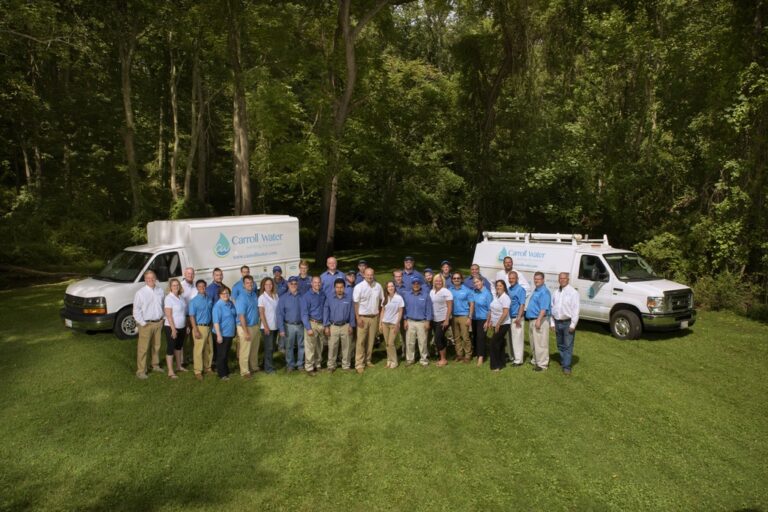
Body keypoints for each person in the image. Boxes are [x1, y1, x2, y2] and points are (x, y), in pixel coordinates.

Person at [133, 270, 166, 379]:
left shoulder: (160, 290)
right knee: (143, 348)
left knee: (156, 346)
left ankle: (155, 365)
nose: (151, 280)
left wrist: (163, 318)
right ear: (145, 280)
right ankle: (141, 371)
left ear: (155, 278)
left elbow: (163, 305)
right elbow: (136, 310)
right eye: (148, 278)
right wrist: (142, 323)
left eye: (152, 278)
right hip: (146, 324)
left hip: (158, 323)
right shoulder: (140, 293)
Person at [353, 267, 384, 374]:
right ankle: (359, 364)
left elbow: (382, 301)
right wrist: (358, 317)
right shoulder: (359, 287)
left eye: (372, 274)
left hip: (374, 317)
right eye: (368, 274)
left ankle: (368, 360)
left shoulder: (378, 286)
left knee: (371, 341)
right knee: (361, 341)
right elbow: (356, 304)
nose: (370, 276)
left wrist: (379, 315)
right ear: (364, 275)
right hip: (362, 317)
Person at [550, 272, 580, 375]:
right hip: (557, 322)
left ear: (568, 279)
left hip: (567, 323)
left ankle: (566, 366)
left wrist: (573, 324)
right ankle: (564, 360)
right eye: (560, 278)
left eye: (564, 278)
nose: (562, 280)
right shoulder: (555, 292)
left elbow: (576, 310)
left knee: (568, 345)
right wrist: (552, 323)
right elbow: (552, 308)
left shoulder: (573, 293)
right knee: (560, 344)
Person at [323, 278, 356, 372]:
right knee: (332, 346)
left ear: (344, 288)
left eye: (341, 287)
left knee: (347, 347)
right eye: (337, 287)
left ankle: (346, 365)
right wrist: (326, 326)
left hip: (346, 325)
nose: (339, 289)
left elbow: (352, 312)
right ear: (334, 288)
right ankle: (331, 365)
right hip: (333, 326)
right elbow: (326, 312)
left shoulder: (349, 298)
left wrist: (351, 325)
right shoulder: (329, 298)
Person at [276, 276, 305, 372]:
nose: (293, 285)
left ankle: (300, 364)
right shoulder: (283, 298)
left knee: (301, 346)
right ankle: (290, 365)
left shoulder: (302, 296)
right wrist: (281, 329)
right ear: (288, 284)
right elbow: (279, 314)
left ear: (298, 284)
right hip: (288, 326)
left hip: (301, 325)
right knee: (289, 346)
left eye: (295, 283)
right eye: (291, 283)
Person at [403, 277, 433, 366]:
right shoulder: (407, 295)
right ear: (412, 285)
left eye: (417, 283)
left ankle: (424, 360)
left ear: (420, 285)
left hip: (422, 322)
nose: (416, 285)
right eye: (414, 283)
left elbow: (429, 310)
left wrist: (428, 321)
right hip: (410, 321)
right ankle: (410, 360)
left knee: (422, 342)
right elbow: (404, 309)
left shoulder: (425, 295)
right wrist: (405, 320)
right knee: (409, 342)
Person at [187, 279, 213, 380]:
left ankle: (208, 367)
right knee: (198, 350)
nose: (202, 288)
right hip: (199, 327)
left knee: (209, 348)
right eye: (200, 286)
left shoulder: (209, 299)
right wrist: (195, 330)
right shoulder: (194, 301)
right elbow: (192, 316)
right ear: (197, 288)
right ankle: (198, 371)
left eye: (204, 286)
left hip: (208, 326)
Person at [163, 278, 188, 379]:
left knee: (179, 347)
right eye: (173, 285)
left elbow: (183, 313)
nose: (176, 287)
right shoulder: (169, 298)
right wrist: (173, 329)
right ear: (170, 287)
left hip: (182, 326)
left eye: (177, 285)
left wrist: (186, 326)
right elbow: (168, 315)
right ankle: (170, 371)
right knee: (171, 348)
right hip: (171, 327)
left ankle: (178, 366)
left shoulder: (181, 297)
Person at [236, 275, 260, 379]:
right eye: (247, 283)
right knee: (245, 350)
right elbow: (241, 316)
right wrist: (245, 332)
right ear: (243, 285)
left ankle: (254, 367)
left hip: (255, 325)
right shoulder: (241, 297)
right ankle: (245, 371)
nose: (250, 284)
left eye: (251, 282)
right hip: (245, 327)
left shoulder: (254, 294)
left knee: (254, 349)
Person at [526, 271, 552, 371]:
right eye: (535, 279)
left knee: (541, 343)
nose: (536, 281)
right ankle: (535, 360)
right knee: (533, 342)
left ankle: (542, 364)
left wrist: (538, 320)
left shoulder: (544, 292)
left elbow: (543, 308)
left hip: (539, 319)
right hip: (533, 319)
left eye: (538, 279)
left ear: (543, 280)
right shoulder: (537, 290)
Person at [302, 276, 326, 375]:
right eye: (315, 282)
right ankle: (309, 367)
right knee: (310, 346)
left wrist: (326, 324)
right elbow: (304, 313)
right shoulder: (306, 296)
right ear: (311, 283)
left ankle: (318, 364)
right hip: (312, 323)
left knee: (319, 345)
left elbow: (325, 309)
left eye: (319, 282)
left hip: (321, 323)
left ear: (321, 283)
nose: (317, 284)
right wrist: (308, 328)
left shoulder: (322, 294)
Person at [212, 286, 236, 380]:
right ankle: (222, 374)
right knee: (221, 355)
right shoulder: (218, 306)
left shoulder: (230, 303)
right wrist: (219, 335)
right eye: (223, 293)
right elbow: (216, 322)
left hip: (229, 333)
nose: (225, 295)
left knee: (226, 354)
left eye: (227, 293)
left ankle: (226, 371)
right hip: (221, 334)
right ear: (219, 295)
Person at [449, 272, 474, 363]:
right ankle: (459, 354)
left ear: (461, 279)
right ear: (452, 280)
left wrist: (470, 317)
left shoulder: (467, 290)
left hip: (464, 316)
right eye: (454, 278)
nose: (456, 280)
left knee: (465, 337)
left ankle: (468, 355)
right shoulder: (450, 290)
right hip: (454, 316)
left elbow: (471, 304)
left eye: (458, 278)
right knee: (456, 337)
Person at [486, 280, 511, 372]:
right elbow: (491, 310)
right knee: (499, 344)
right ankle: (502, 363)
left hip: (503, 324)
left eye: (500, 286)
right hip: (495, 323)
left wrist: (498, 324)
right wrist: (488, 321)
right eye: (497, 286)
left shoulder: (505, 297)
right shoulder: (497, 296)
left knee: (493, 344)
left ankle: (495, 366)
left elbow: (505, 312)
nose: (498, 287)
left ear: (504, 287)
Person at [379, 281, 404, 369]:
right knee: (387, 343)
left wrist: (398, 324)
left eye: (392, 286)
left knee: (391, 343)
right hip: (385, 323)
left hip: (394, 324)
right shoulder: (385, 298)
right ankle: (389, 360)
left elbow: (400, 312)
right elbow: (382, 311)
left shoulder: (399, 298)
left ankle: (394, 362)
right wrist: (380, 323)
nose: (390, 288)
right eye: (389, 286)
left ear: (394, 287)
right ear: (386, 288)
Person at [429, 274, 452, 367]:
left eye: (440, 281)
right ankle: (442, 357)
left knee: (438, 339)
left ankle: (443, 359)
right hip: (434, 319)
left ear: (443, 282)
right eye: (436, 280)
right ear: (433, 281)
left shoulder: (446, 291)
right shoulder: (432, 291)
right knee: (441, 338)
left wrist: (446, 320)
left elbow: (450, 306)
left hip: (443, 319)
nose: (438, 282)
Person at [258, 277, 279, 374]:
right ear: (263, 286)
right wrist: (266, 327)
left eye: (270, 284)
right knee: (269, 348)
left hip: (275, 326)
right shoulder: (262, 297)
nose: (269, 286)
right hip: (267, 327)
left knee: (271, 347)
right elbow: (261, 314)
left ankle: (264, 364)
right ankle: (269, 369)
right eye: (266, 284)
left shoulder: (275, 296)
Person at [470, 276, 492, 366]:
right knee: (475, 337)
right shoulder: (473, 292)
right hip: (474, 318)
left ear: (482, 281)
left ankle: (481, 357)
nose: (476, 284)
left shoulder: (487, 293)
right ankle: (476, 352)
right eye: (475, 282)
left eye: (478, 282)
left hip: (483, 319)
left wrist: (488, 321)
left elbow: (490, 309)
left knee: (481, 338)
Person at [506, 271, 526, 366]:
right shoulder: (509, 289)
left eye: (513, 278)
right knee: (510, 339)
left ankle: (518, 361)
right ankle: (512, 357)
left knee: (517, 339)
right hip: (509, 317)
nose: (511, 280)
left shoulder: (520, 289)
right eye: (510, 278)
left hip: (517, 318)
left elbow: (522, 304)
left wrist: (518, 317)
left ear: (517, 279)